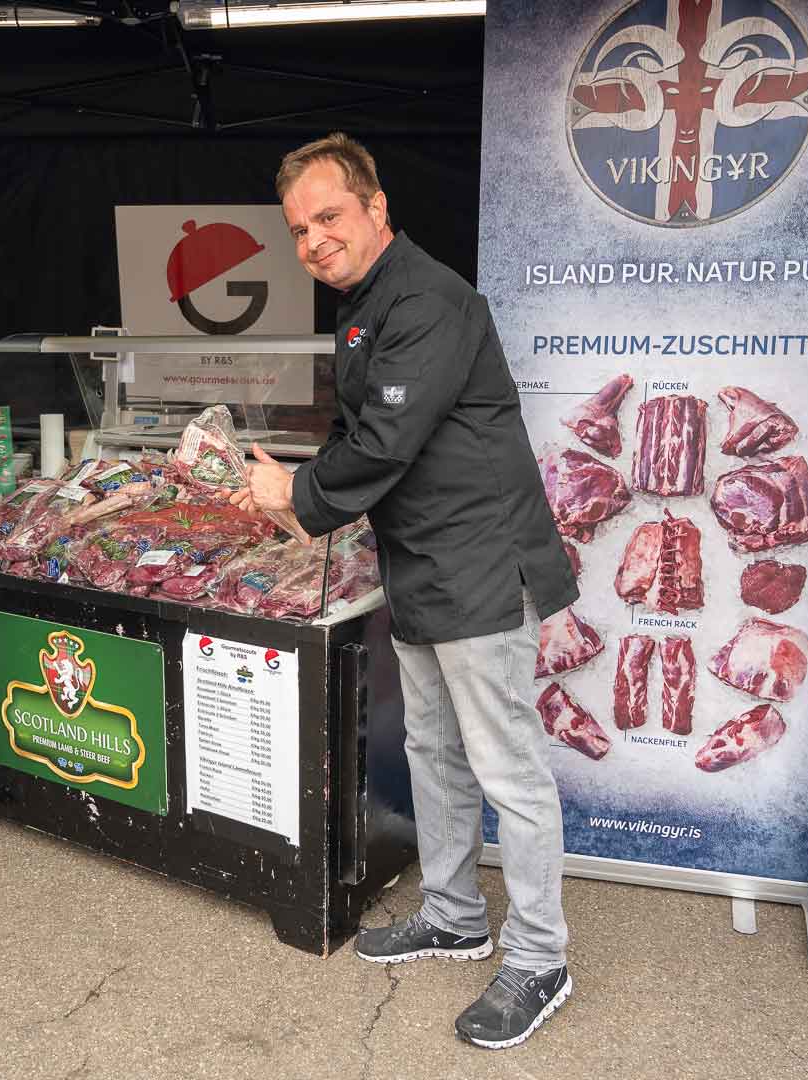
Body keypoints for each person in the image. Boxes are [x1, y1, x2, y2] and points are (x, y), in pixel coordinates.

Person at [233, 134, 579, 1050]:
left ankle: (541, 958)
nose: (313, 241)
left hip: (478, 564)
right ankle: (454, 915)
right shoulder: (362, 306)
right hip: (419, 564)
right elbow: (361, 434)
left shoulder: (428, 298)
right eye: (299, 229)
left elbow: (386, 439)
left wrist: (295, 493)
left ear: (376, 207)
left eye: (329, 217)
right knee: (432, 747)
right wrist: (299, 492)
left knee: (508, 768)